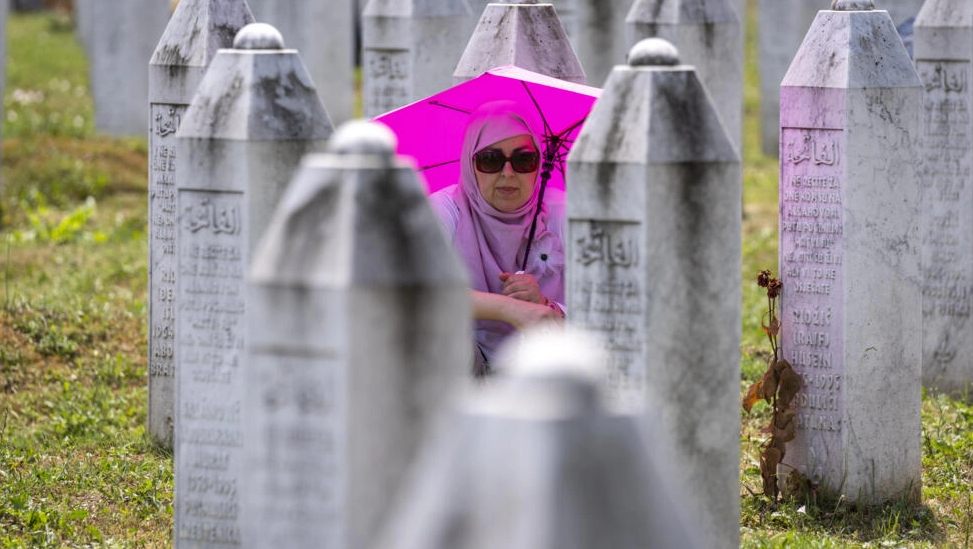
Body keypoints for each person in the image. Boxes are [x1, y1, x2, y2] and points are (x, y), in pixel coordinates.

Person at [429, 101, 566, 376]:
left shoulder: (562, 212)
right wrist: (509, 309)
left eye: (523, 159)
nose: (508, 173)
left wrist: (545, 305)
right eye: (490, 159)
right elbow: (422, 291)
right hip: (464, 369)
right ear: (471, 163)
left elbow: (601, 304)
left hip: (546, 371)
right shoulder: (444, 210)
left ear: (540, 163)